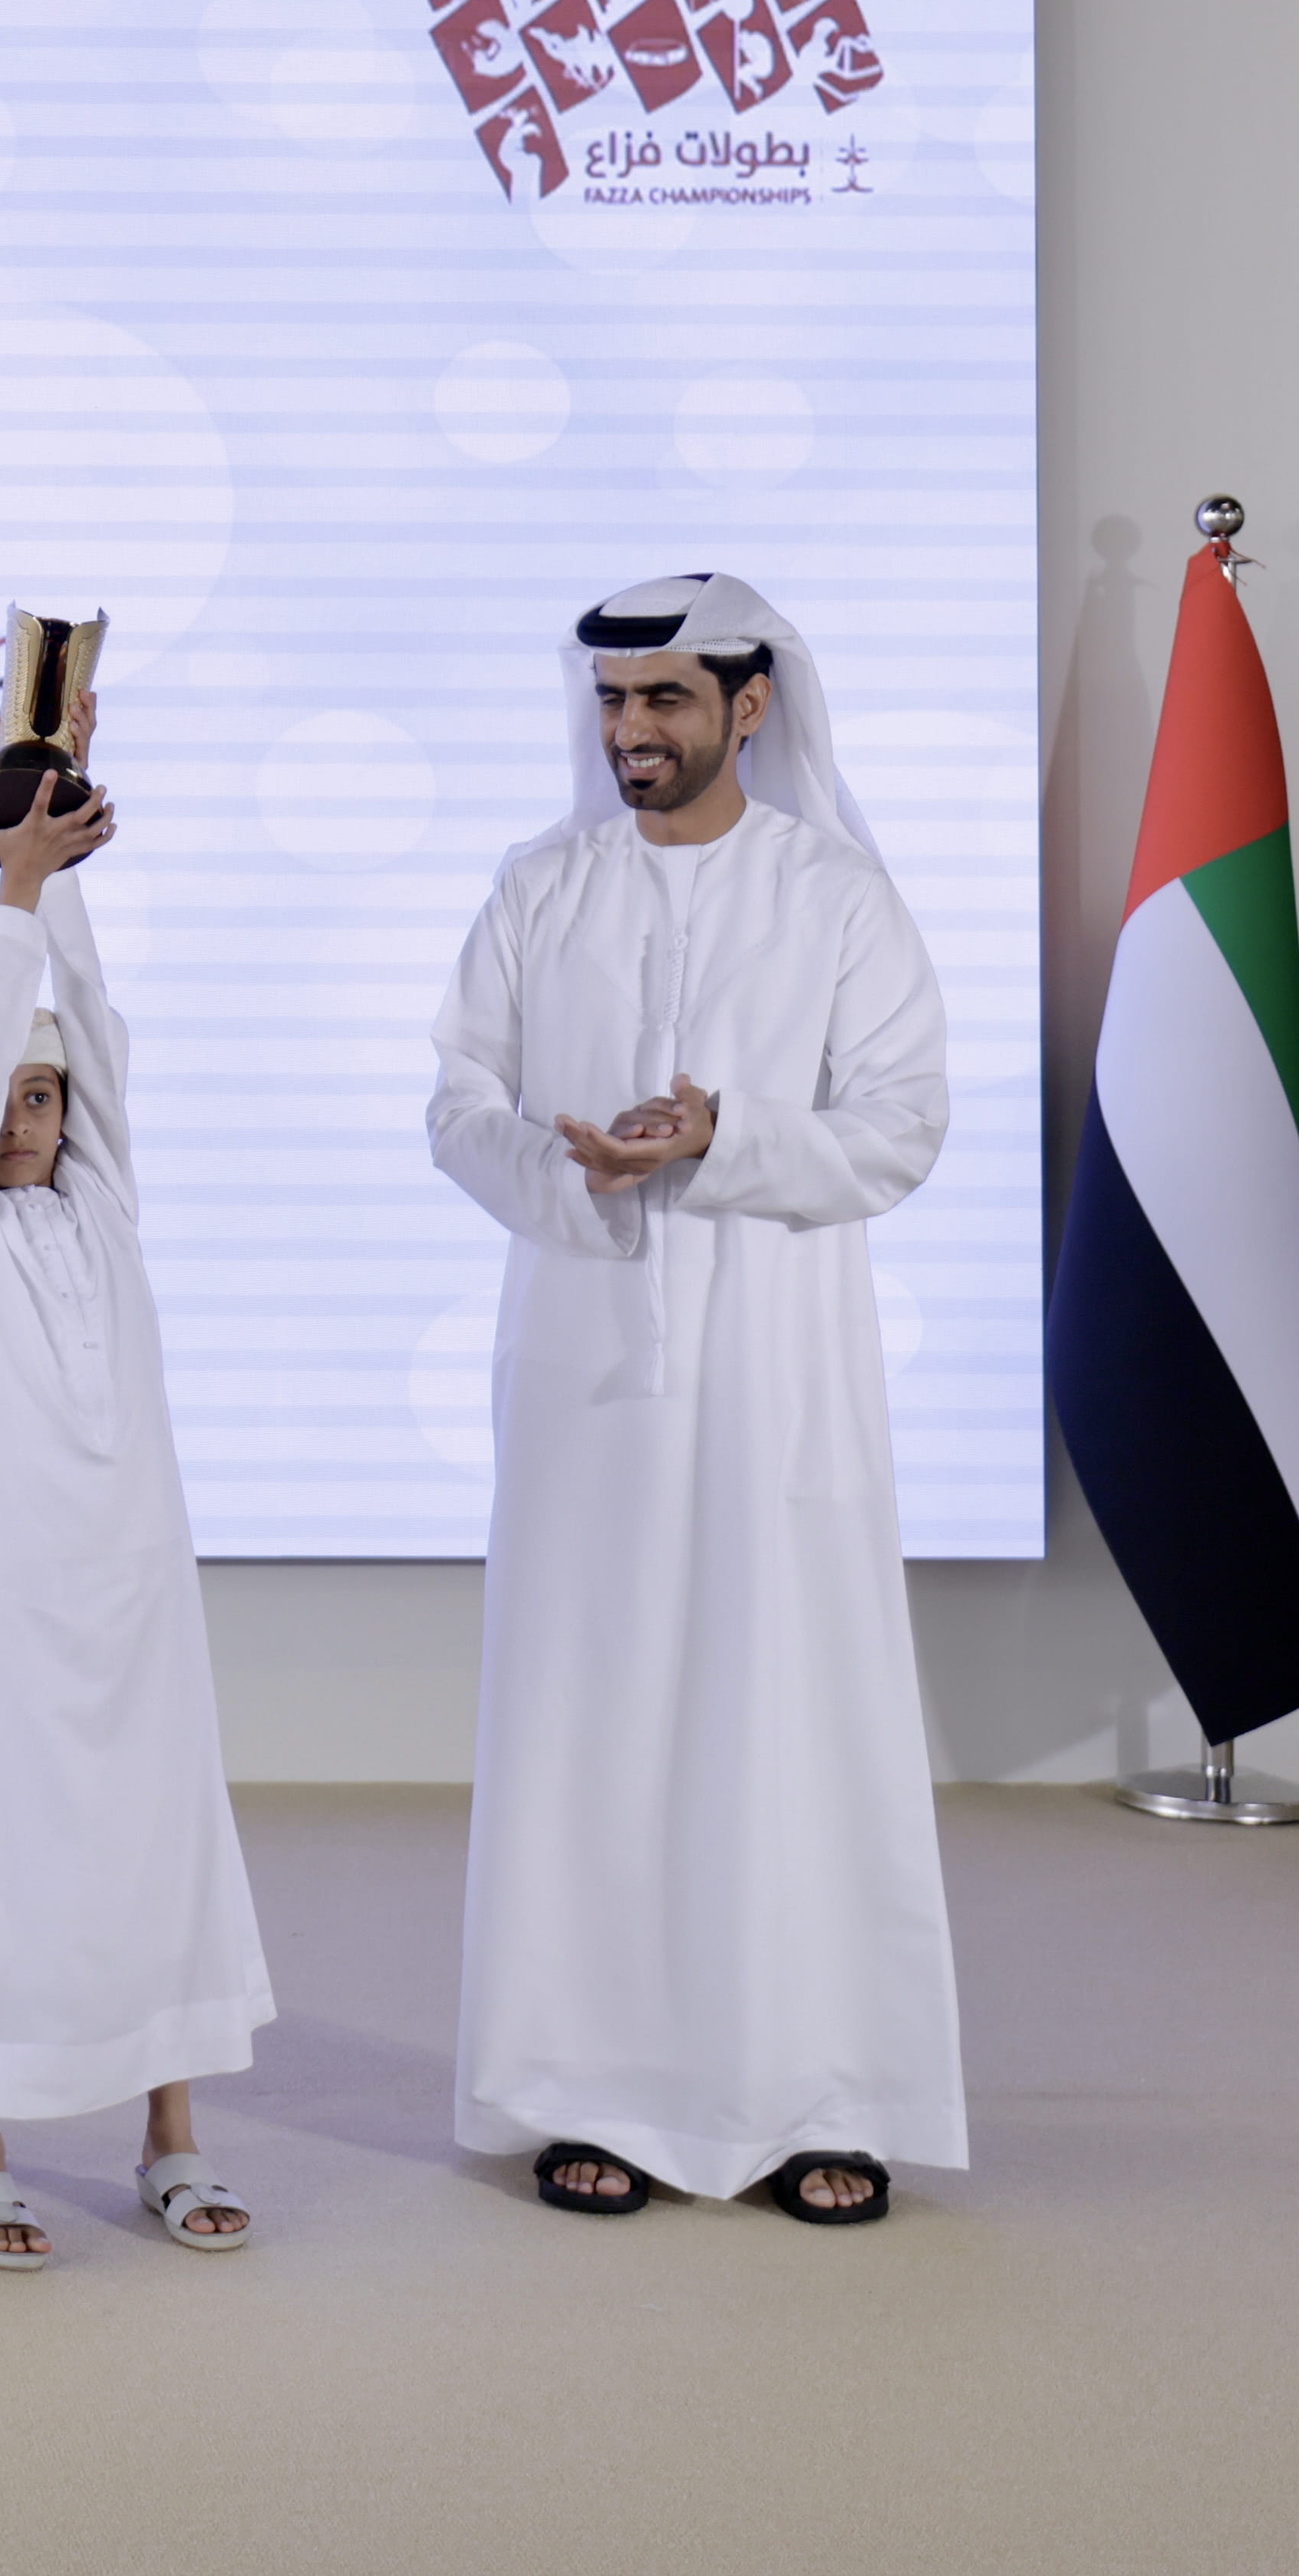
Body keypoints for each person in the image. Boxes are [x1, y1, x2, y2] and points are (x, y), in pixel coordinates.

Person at [430, 572, 961, 2228]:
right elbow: (456, 1102)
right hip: (583, 1357)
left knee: (787, 1711)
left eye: (661, 698)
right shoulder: (538, 885)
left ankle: (819, 2092)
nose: (629, 731)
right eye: (609, 700)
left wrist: (722, 1136)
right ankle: (585, 2089)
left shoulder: (835, 894)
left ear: (747, 702)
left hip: (777, 1371)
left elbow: (899, 1126)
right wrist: (570, 1164)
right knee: (588, 1712)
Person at [0, 741, 272, 2271]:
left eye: (41, 1099)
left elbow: (86, 1026)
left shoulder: (100, 1207)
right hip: (3, 1605)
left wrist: (60, 877)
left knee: (149, 1839)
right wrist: (7, 895)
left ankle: (168, 2132)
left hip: (133, 1597)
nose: (21, 1120)